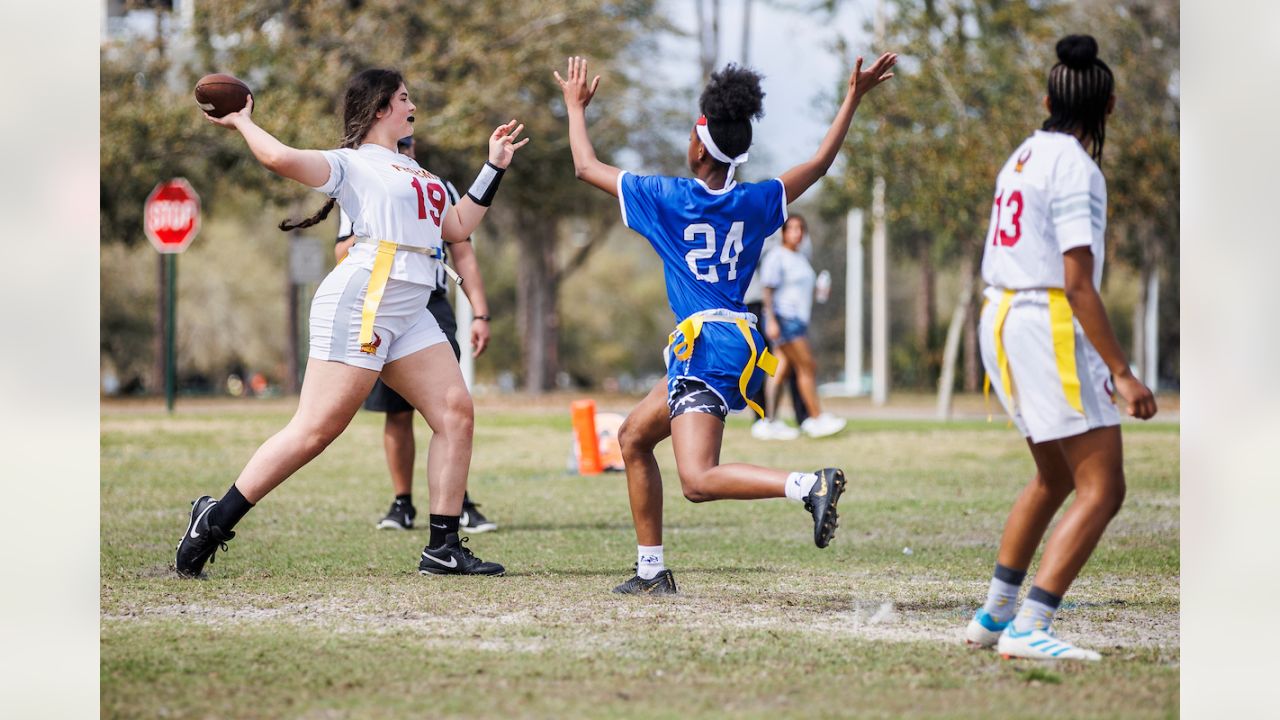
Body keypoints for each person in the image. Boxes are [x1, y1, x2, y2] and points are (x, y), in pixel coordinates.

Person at [555, 51, 896, 594]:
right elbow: (820, 163)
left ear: (698, 146)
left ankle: (808, 484)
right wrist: (853, 97)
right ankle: (650, 573)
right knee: (633, 437)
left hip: (705, 345)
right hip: (730, 338)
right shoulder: (757, 201)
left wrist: (575, 108)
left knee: (697, 479)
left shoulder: (667, 198)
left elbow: (585, 166)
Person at [176, 69, 527, 578]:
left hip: (410, 306)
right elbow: (278, 157)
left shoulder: (421, 174)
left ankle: (443, 548)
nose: (413, 106)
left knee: (455, 413)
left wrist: (493, 168)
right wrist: (242, 122)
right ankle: (213, 519)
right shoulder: (354, 163)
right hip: (364, 298)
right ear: (381, 108)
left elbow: (457, 226)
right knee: (316, 431)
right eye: (405, 98)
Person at [962, 35, 1157, 661]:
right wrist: (1123, 374)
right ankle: (1031, 626)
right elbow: (1077, 282)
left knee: (1051, 476)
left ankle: (994, 615)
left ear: (1047, 99)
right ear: (1110, 107)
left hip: (1000, 315)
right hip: (1044, 320)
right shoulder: (1077, 166)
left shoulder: (1021, 155)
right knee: (1104, 487)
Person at [335, 135, 498, 534]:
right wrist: (391, 229)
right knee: (395, 410)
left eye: (407, 146)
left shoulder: (437, 187)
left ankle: (456, 505)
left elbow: (463, 251)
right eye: (397, 146)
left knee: (449, 406)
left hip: (430, 299)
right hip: (382, 298)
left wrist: (481, 312)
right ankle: (401, 503)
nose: (402, 153)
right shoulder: (363, 182)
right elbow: (342, 252)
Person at [759, 213, 847, 438]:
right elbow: (767, 290)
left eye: (801, 229)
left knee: (779, 371)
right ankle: (816, 418)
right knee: (807, 366)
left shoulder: (801, 259)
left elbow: (805, 292)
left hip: (798, 319)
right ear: (783, 233)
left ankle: (769, 422)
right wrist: (771, 320)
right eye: (793, 228)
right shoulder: (777, 256)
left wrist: (821, 290)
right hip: (784, 318)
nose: (797, 233)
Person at [743, 235, 806, 441]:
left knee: (788, 363)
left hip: (782, 307)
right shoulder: (753, 230)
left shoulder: (782, 231)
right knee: (762, 363)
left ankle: (800, 417)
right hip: (754, 304)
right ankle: (763, 418)